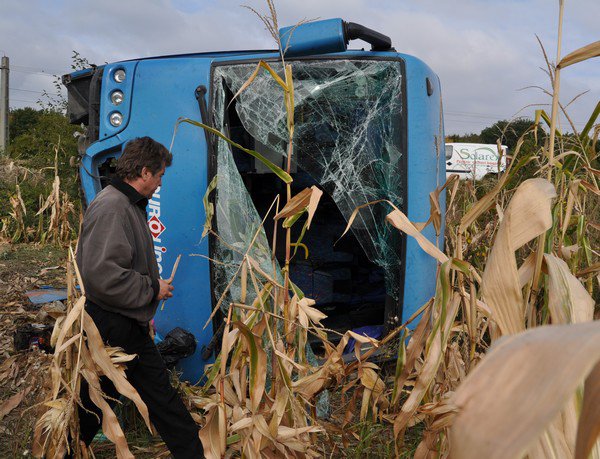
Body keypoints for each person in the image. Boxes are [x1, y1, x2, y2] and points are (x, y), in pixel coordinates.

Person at [75, 136, 204, 458]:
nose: (160, 182)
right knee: (156, 397)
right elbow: (103, 275)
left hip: (120, 320)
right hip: (112, 323)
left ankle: (66, 448)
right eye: (159, 175)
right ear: (145, 172)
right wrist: (152, 289)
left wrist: (145, 303)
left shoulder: (124, 204)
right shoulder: (112, 206)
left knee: (102, 399)